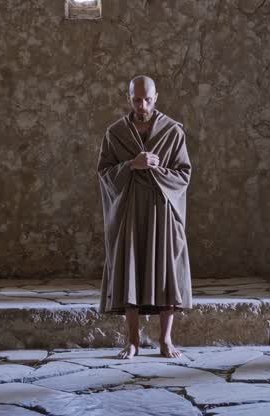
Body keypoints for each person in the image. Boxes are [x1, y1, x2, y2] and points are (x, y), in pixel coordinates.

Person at [96, 75, 193, 358]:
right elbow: (103, 173)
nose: (142, 105)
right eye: (137, 99)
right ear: (129, 98)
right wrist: (132, 165)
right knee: (130, 272)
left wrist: (156, 170)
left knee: (167, 274)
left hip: (163, 213)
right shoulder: (115, 134)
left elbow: (184, 174)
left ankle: (166, 340)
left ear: (156, 97)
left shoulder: (173, 132)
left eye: (147, 99)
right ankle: (133, 341)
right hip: (130, 214)